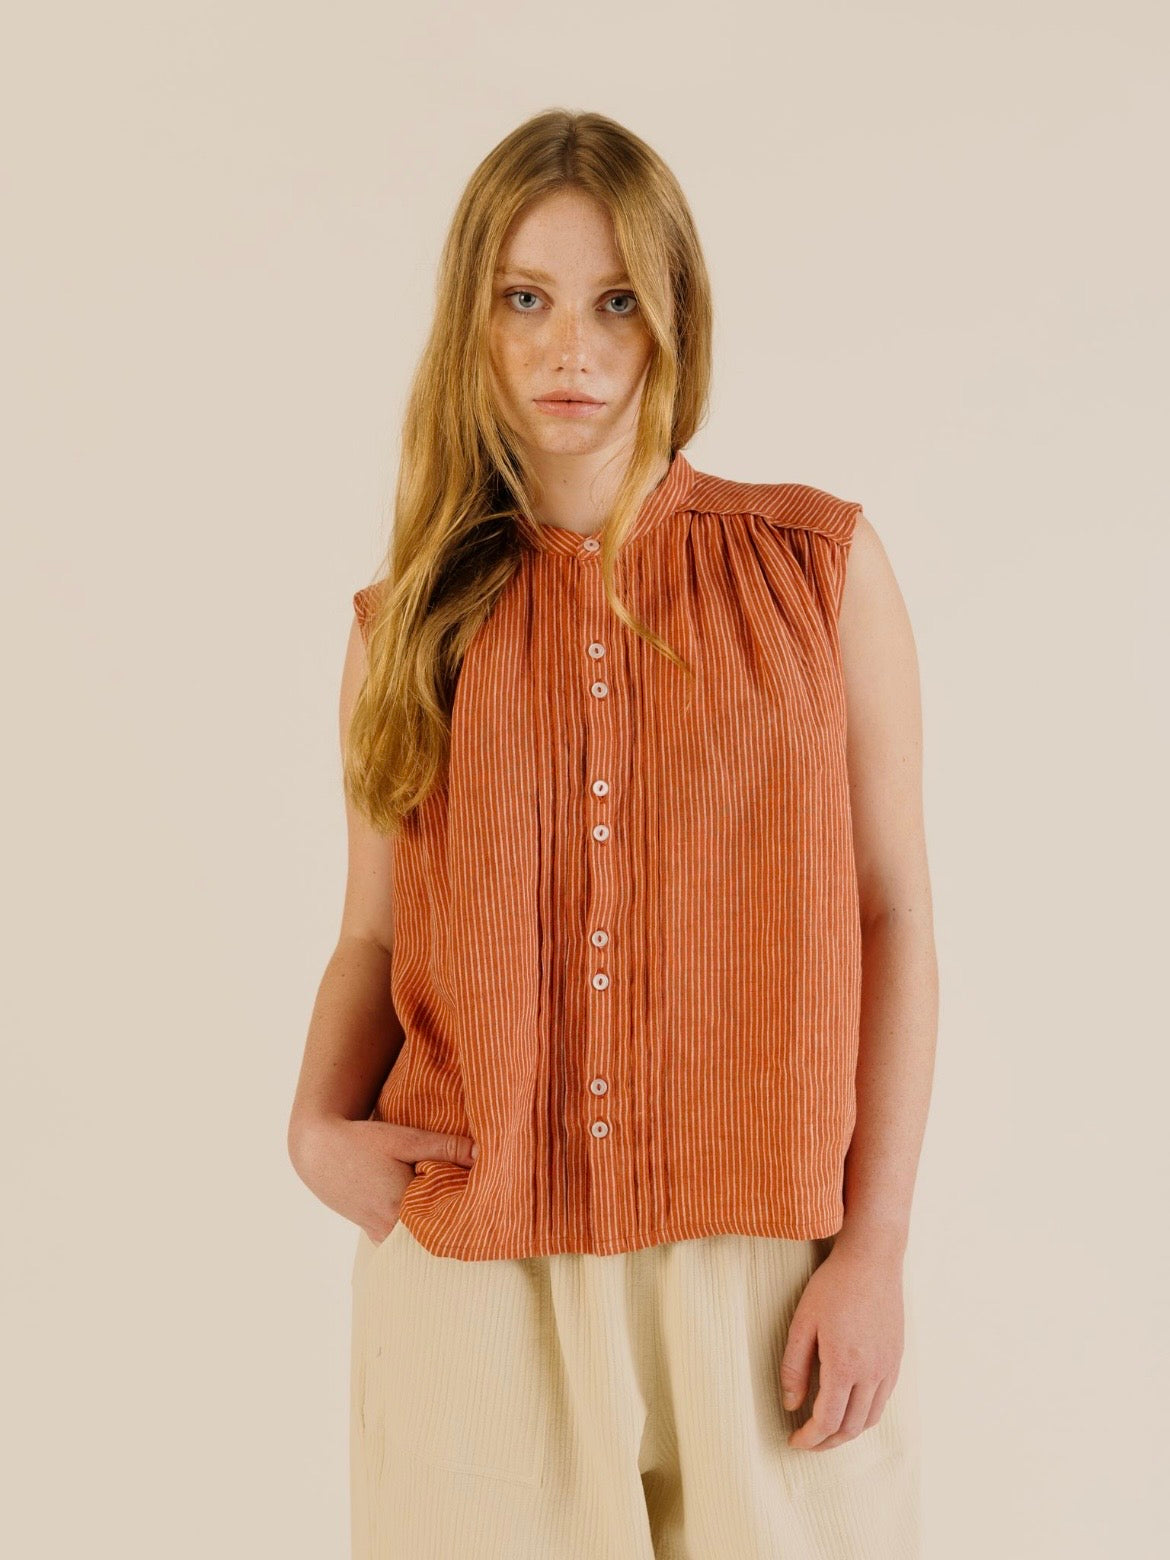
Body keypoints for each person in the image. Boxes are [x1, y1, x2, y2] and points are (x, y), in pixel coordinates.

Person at [287, 108, 936, 1560]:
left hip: (762, 1265)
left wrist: (876, 1244)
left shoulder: (816, 571)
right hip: (476, 1276)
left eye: (615, 301)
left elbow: (891, 910)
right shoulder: (403, 629)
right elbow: (372, 934)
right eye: (525, 298)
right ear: (470, 318)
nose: (568, 349)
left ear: (674, 316)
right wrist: (314, 1128)